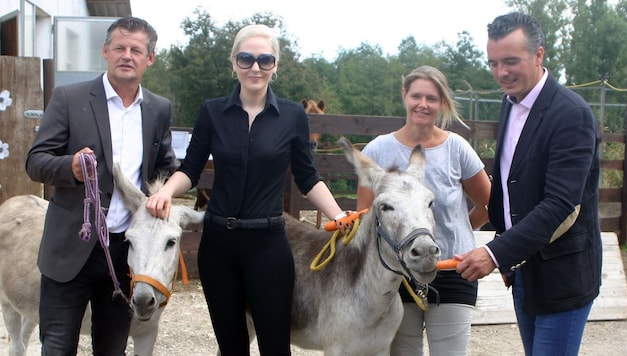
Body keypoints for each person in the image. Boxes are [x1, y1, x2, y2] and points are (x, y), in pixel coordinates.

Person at [145, 24, 353, 355]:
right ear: (234, 62)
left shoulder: (292, 115)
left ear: (275, 65)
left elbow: (307, 177)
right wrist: (166, 192)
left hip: (267, 245)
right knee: (232, 348)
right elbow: (190, 170)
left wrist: (339, 214)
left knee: (275, 347)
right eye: (246, 58)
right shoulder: (213, 112)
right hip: (218, 246)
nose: (255, 67)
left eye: (264, 60)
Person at [25, 16, 176, 355]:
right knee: (57, 347)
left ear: (149, 58)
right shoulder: (68, 98)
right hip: (69, 249)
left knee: (112, 349)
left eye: (136, 50)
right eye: (119, 47)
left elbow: (166, 168)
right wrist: (70, 167)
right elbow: (35, 161)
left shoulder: (158, 109)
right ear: (105, 51)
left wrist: (162, 194)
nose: (127, 55)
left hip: (124, 255)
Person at [454, 12, 602, 356]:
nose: (501, 73)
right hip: (524, 269)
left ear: (539, 55)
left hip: (563, 274)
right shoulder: (510, 105)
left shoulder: (572, 115)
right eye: (493, 63)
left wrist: (494, 253)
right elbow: (510, 185)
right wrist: (508, 252)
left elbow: (559, 204)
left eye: (510, 61)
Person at [356, 65, 491, 355]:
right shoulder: (378, 151)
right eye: (417, 95)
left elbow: (490, 204)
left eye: (432, 98)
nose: (423, 104)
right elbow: (365, 216)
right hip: (397, 274)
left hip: (453, 269)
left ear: (442, 103)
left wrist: (460, 230)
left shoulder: (457, 148)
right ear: (404, 95)